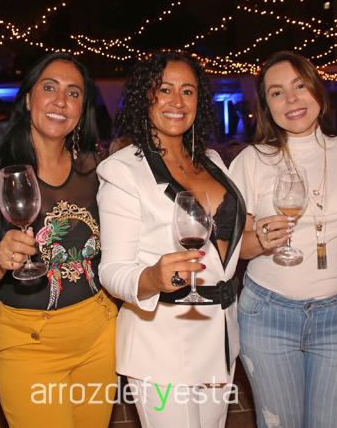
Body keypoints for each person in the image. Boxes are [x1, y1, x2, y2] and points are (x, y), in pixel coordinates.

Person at [0, 52, 117, 428]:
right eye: (50, 88)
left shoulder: (94, 167)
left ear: (82, 108)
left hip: (99, 335)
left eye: (73, 93)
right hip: (30, 344)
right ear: (29, 99)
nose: (61, 101)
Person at [97, 51, 246, 428]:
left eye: (188, 91)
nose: (177, 101)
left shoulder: (213, 160)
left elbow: (223, 249)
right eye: (164, 90)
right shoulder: (122, 171)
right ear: (144, 97)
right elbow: (112, 270)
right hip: (162, 343)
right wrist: (151, 277)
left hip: (221, 335)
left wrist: (260, 237)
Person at [229, 51, 337, 428]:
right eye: (277, 92)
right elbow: (230, 248)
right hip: (267, 315)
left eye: (300, 86)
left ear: (318, 90)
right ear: (266, 105)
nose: (291, 99)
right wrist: (261, 238)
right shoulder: (251, 160)